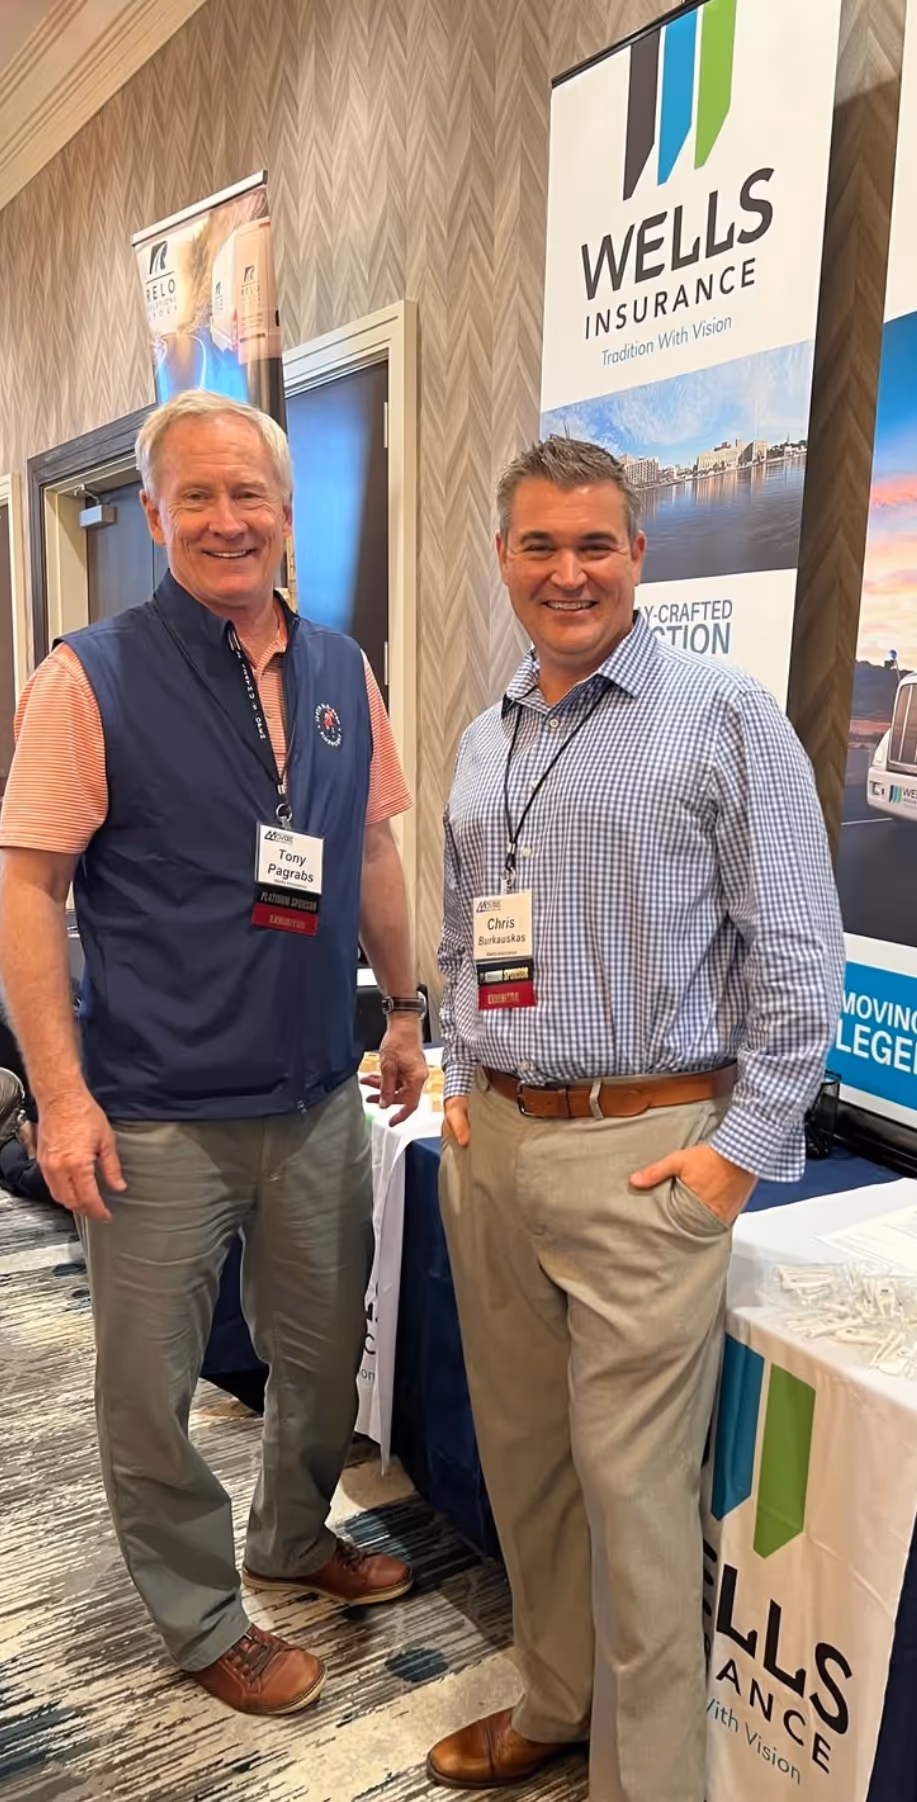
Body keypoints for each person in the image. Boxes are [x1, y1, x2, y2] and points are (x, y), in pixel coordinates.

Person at [425, 439, 844, 1798]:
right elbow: (457, 924)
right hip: (494, 1144)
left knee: (638, 1509)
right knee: (527, 1467)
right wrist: (456, 1068)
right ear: (502, 557)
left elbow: (797, 957)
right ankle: (553, 1700)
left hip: (643, 1155)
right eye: (538, 545)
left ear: (637, 557)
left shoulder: (719, 712)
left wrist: (733, 1158)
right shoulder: (488, 735)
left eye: (593, 544)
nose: (566, 571)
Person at [0, 390, 428, 1717]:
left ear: (288, 514)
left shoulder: (343, 671)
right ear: (157, 515)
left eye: (251, 495)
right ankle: (196, 1617)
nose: (229, 518)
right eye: (199, 496)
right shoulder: (91, 675)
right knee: (148, 1389)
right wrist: (59, 1095)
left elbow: (363, 848)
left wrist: (406, 1009)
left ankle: (290, 1536)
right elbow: (27, 888)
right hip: (154, 1110)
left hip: (312, 1096)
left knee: (317, 1351)